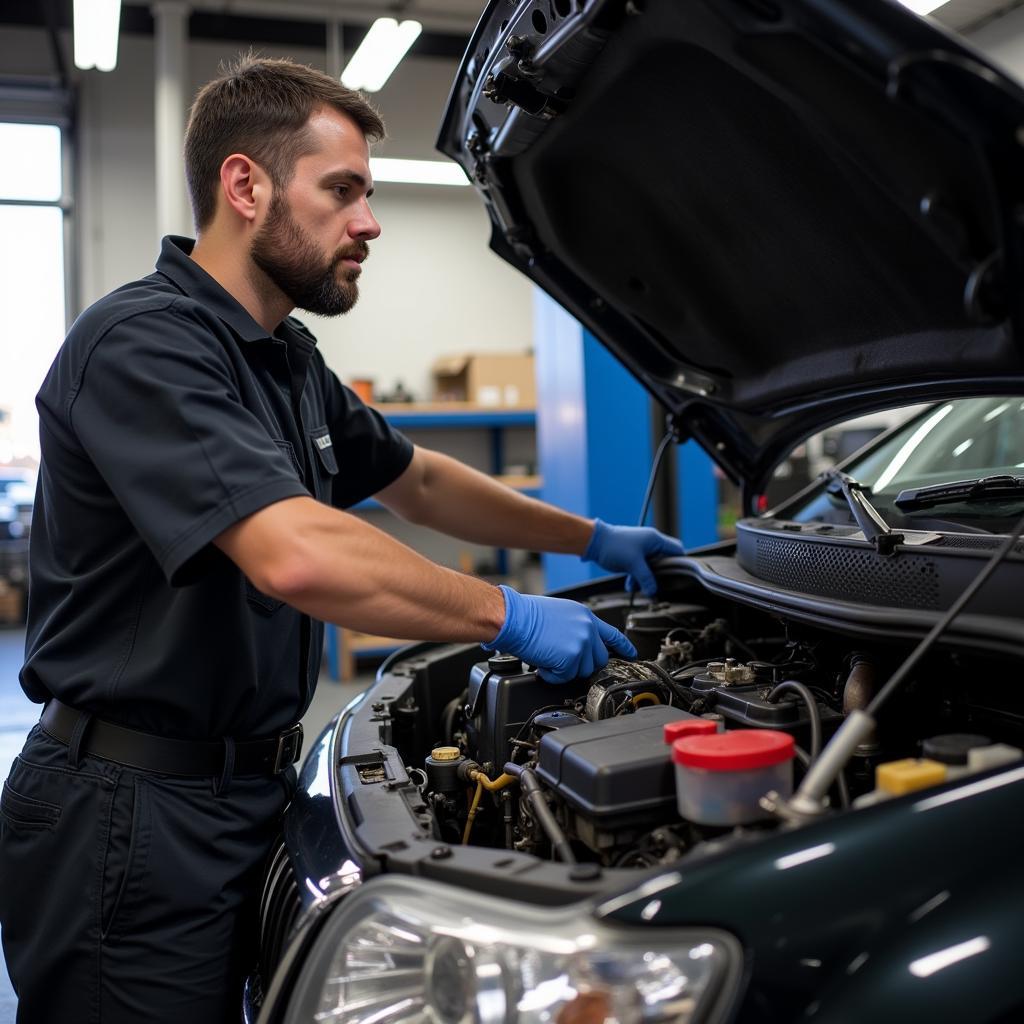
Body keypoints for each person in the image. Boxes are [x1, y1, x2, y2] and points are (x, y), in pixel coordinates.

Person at [0, 55, 684, 1024]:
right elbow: (296, 553)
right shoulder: (142, 344)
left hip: (247, 789)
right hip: (128, 811)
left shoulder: (285, 358)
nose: (368, 220)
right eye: (343, 190)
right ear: (246, 185)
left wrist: (595, 537)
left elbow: (420, 479)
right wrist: (506, 614)